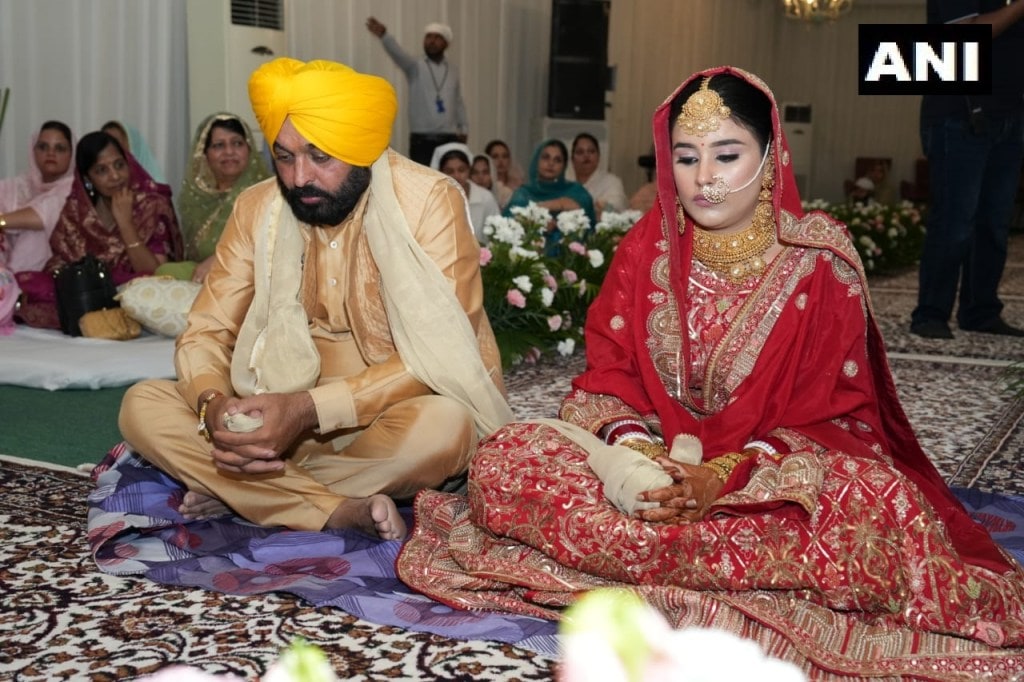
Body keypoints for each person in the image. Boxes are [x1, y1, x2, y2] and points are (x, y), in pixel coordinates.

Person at [396, 67, 1024, 678]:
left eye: (726, 155)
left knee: (875, 507)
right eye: (687, 156)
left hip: (766, 481)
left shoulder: (816, 261)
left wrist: (718, 477)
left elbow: (837, 412)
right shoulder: (649, 246)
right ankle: (682, 550)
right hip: (645, 477)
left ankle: (645, 557)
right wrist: (636, 462)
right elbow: (607, 376)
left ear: (772, 153)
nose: (704, 179)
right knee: (505, 456)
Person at [117, 58, 511, 541]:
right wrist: (213, 405)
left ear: (361, 148)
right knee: (142, 402)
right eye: (284, 157)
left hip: (389, 415)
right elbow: (207, 330)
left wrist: (307, 410)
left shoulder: (429, 201)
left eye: (320, 157)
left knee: (445, 426)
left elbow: (441, 352)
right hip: (271, 412)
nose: (299, 176)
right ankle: (330, 507)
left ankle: (242, 489)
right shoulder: (257, 207)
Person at [911, 0, 1024, 339]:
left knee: (994, 223)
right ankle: (931, 313)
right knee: (954, 222)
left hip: (1010, 114)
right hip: (959, 115)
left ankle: (980, 309)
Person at [15, 130, 182, 329]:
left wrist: (126, 224)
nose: (115, 176)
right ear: (88, 179)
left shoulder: (152, 205)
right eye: (102, 170)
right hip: (88, 295)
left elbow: (155, 273)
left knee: (140, 285)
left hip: (137, 296)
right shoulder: (77, 212)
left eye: (119, 165)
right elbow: (60, 268)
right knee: (25, 283)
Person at [159, 112, 270, 282]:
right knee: (166, 272)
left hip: (252, 274)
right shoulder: (196, 199)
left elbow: (268, 246)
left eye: (237, 143)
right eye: (219, 145)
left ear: (249, 149)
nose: (229, 152)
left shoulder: (266, 193)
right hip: (204, 276)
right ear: (203, 154)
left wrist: (219, 259)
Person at [366, 17, 468, 166]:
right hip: (422, 140)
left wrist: (464, 127)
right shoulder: (415, 67)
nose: (432, 41)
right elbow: (398, 54)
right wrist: (384, 36)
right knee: (423, 184)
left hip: (449, 137)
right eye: (428, 37)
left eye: (437, 37)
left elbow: (458, 101)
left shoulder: (452, 70)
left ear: (446, 43)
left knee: (449, 182)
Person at [0, 120, 75, 273]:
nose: (51, 153)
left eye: (60, 148)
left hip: (50, 278)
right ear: (33, 151)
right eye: (43, 147)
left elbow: (39, 217)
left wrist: (1, 221)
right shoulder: (15, 186)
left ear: (72, 155)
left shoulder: (73, 190)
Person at [503, 138, 597, 228]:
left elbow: (583, 211)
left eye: (557, 160)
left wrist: (551, 205)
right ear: (536, 161)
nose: (551, 163)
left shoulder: (576, 191)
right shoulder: (524, 193)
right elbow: (508, 223)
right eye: (545, 158)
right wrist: (535, 224)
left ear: (564, 166)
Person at [429, 142, 499, 243]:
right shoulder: (432, 200)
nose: (456, 176)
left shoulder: (485, 198)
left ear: (469, 170)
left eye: (461, 170)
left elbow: (496, 236)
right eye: (450, 171)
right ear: (440, 172)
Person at [568, 132, 628, 217]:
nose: (586, 156)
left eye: (591, 151)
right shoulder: (566, 182)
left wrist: (604, 208)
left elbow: (617, 207)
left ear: (599, 156)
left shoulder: (611, 182)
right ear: (572, 159)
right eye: (580, 152)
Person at [101, 119, 168, 186]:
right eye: (104, 145)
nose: (109, 151)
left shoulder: (158, 189)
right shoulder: (100, 181)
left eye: (116, 144)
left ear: (133, 146)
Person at [484, 139, 521, 208]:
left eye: (505, 156)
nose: (501, 160)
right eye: (495, 156)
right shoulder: (484, 185)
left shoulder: (518, 185)